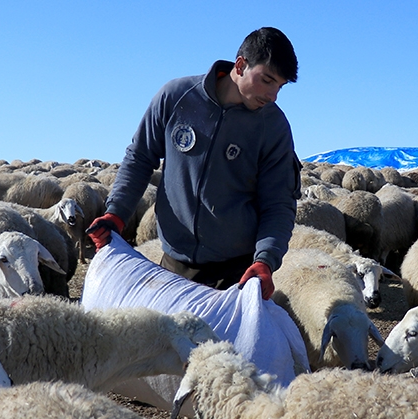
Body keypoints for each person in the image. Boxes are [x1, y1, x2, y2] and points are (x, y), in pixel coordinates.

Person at [88, 27, 301, 300]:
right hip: (173, 267)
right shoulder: (176, 97)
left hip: (236, 274)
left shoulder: (273, 127)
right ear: (240, 65)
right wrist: (116, 213)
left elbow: (279, 203)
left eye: (279, 87)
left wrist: (266, 260)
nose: (273, 96)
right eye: (267, 80)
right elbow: (140, 157)